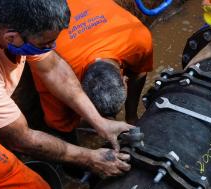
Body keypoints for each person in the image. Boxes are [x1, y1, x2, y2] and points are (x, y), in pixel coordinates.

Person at [0, 0, 133, 189]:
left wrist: (99, 122)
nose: (52, 47)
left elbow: (52, 67)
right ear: (11, 37)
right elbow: (23, 139)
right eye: (44, 43)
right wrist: (91, 158)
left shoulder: (12, 14)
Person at [33, 0, 153, 130]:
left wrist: (132, 118)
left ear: (125, 80)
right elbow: (60, 124)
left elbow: (140, 71)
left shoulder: (138, 40)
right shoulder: (54, 74)